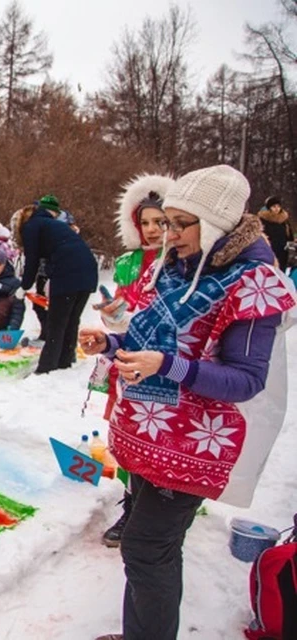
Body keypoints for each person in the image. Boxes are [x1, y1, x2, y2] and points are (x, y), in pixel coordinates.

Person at [80, 165, 295, 640]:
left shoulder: (251, 284)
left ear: (214, 223)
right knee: (151, 545)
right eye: (165, 221)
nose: (167, 233)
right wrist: (112, 347)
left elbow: (245, 380)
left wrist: (168, 366)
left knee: (146, 545)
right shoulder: (179, 267)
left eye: (180, 223)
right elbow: (153, 339)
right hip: (151, 432)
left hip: (193, 445)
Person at [95, 174, 174, 548]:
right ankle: (133, 504)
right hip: (126, 359)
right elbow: (127, 317)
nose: (153, 230)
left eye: (161, 221)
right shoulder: (128, 262)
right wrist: (113, 314)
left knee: (162, 434)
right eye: (145, 222)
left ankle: (165, 502)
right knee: (126, 434)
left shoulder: (181, 260)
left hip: (167, 364)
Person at [11, 194, 97, 374]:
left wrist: (24, 286)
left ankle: (46, 368)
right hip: (88, 270)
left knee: (56, 323)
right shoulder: (53, 225)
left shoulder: (32, 226)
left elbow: (32, 260)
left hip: (68, 272)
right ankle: (64, 363)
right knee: (71, 321)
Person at [258, 196, 293, 271]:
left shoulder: (284, 220)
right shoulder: (263, 220)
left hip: (283, 251)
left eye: (278, 206)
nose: (277, 208)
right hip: (269, 250)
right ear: (269, 207)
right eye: (274, 206)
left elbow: (289, 235)